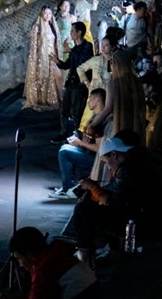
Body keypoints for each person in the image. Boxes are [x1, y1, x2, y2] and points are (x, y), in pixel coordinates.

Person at [72, 135, 159, 266]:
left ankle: (85, 258)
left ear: (114, 154)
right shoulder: (138, 160)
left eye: (106, 161)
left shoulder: (129, 169)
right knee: (95, 204)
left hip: (142, 223)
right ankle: (114, 251)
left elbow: (115, 203)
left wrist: (92, 187)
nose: (107, 166)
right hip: (144, 216)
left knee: (83, 209)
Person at [87, 49, 146, 180]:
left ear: (116, 64)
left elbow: (107, 109)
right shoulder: (137, 83)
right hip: (135, 127)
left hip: (118, 127)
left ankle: (108, 184)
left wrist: (92, 124)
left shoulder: (114, 83)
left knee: (112, 158)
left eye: (112, 64)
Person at [49, 88, 109, 198]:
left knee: (64, 152)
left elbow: (98, 148)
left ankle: (68, 187)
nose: (88, 101)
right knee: (65, 148)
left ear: (97, 100)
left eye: (90, 98)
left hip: (97, 160)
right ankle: (70, 184)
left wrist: (80, 143)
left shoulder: (100, 120)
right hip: (89, 153)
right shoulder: (96, 116)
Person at [51, 22, 94, 143]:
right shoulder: (75, 48)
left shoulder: (87, 46)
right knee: (64, 109)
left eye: (72, 31)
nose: (71, 33)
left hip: (80, 84)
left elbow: (83, 63)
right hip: (71, 82)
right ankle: (64, 133)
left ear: (79, 32)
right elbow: (68, 65)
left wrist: (70, 51)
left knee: (76, 111)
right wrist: (58, 62)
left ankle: (78, 136)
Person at [24, 6, 62, 110]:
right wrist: (36, 59)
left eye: (49, 13)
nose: (48, 15)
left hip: (52, 55)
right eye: (45, 13)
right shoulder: (37, 27)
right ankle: (44, 99)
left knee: (57, 76)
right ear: (41, 14)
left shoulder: (52, 25)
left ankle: (57, 98)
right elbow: (34, 45)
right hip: (42, 56)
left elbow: (56, 41)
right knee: (43, 77)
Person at [76, 35, 117, 130]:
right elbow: (80, 68)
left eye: (106, 45)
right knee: (87, 118)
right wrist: (86, 82)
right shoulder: (95, 60)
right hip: (94, 95)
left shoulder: (114, 62)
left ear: (112, 47)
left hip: (106, 97)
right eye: (102, 45)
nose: (103, 47)